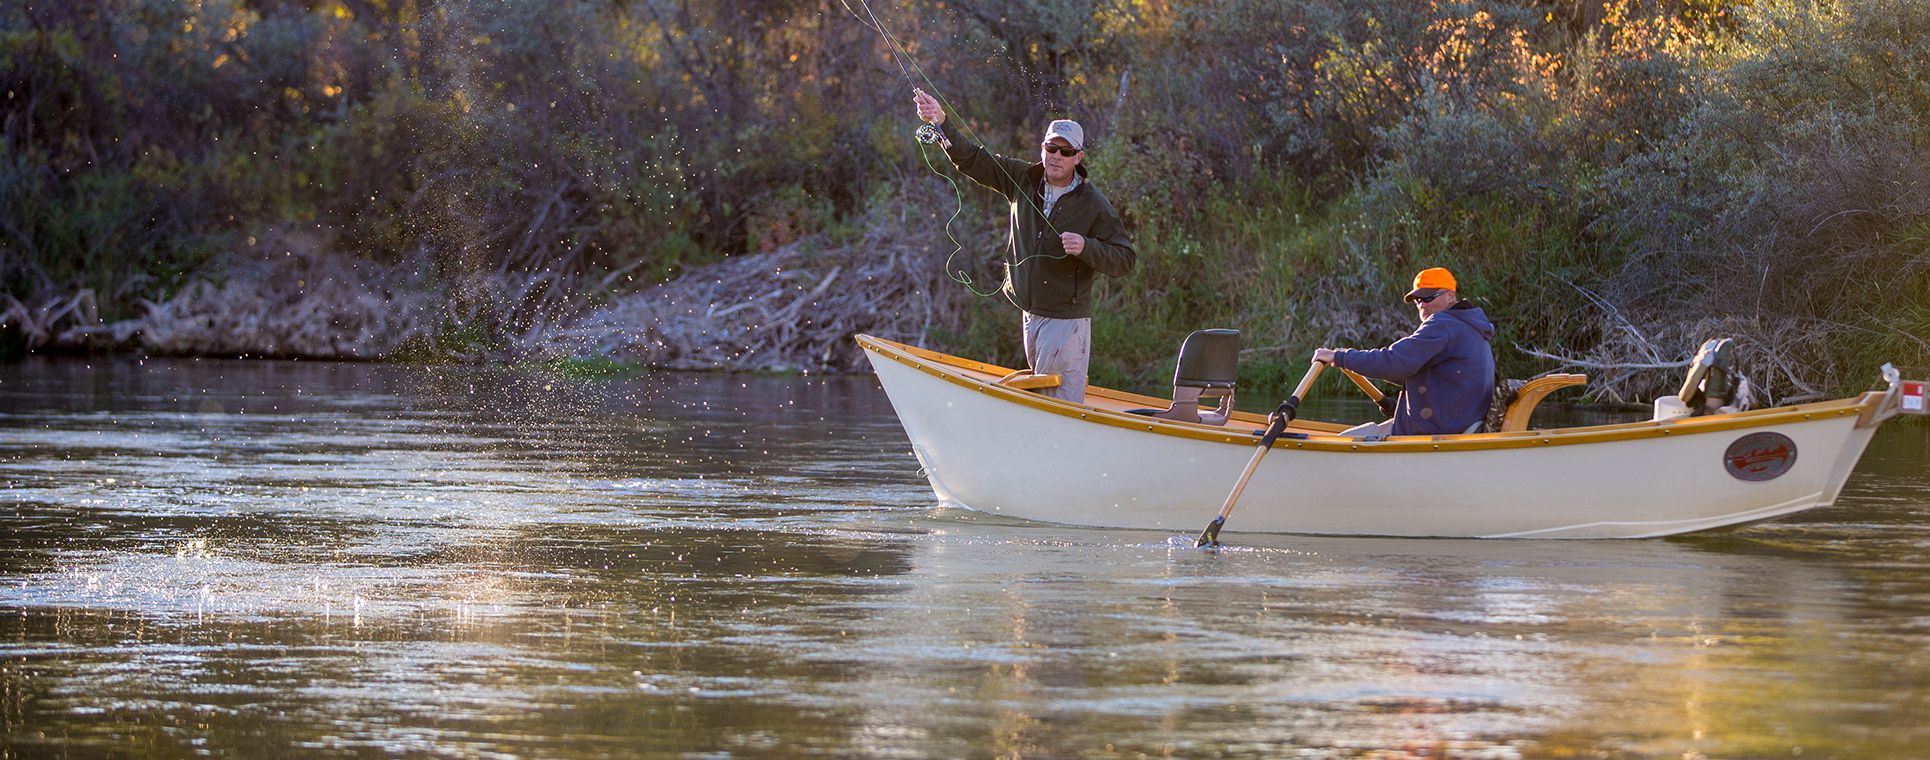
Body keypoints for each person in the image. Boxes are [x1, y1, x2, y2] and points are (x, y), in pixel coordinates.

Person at [913, 88, 1136, 404]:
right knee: (1041, 401)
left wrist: (1086, 246)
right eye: (1051, 148)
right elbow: (971, 158)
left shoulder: (1093, 204)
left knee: (1057, 406)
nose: (1057, 156)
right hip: (1030, 314)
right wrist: (941, 121)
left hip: (1065, 322)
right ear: (1042, 148)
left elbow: (1125, 259)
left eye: (1066, 151)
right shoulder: (1021, 177)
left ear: (1078, 157)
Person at [1313, 267, 1495, 436]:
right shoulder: (1470, 326)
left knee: (1346, 440)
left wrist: (1339, 357)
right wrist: (1350, 360)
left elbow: (1393, 362)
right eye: (1418, 300)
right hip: (1455, 425)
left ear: (1450, 296)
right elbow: (1408, 371)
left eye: (1428, 297)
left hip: (1440, 433)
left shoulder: (1443, 324)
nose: (1422, 305)